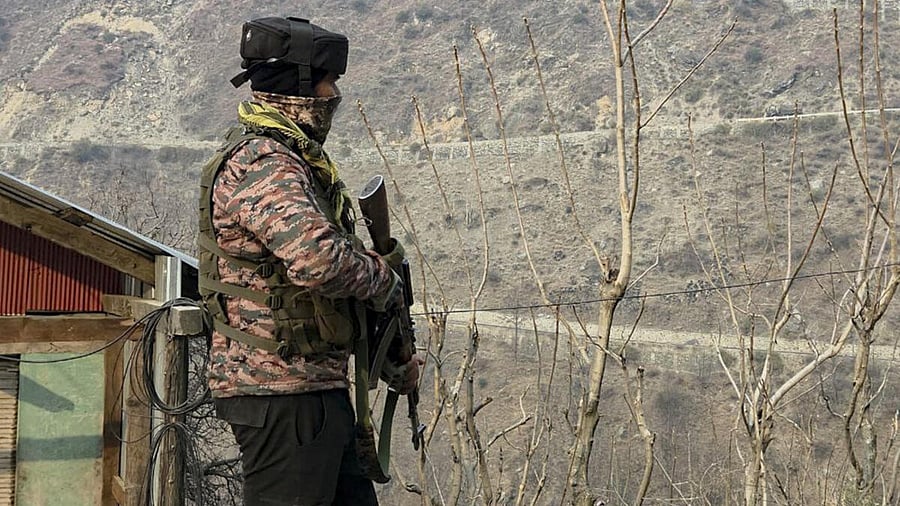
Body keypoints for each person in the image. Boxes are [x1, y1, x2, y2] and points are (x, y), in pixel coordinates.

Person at [197, 16, 420, 506]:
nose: (333, 92)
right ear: (298, 86)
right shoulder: (264, 162)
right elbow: (317, 259)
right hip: (278, 392)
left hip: (309, 388)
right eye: (328, 80)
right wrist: (383, 279)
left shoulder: (292, 160)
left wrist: (389, 356)